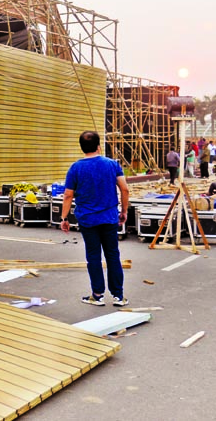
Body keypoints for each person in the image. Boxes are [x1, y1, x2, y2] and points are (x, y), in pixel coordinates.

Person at [60, 131, 130, 306]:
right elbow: (125, 189)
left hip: (88, 219)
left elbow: (68, 195)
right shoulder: (112, 165)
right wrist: (124, 210)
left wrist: (64, 218)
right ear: (99, 146)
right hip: (109, 217)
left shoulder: (75, 168)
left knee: (93, 256)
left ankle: (97, 295)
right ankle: (118, 296)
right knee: (113, 255)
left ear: (82, 147)